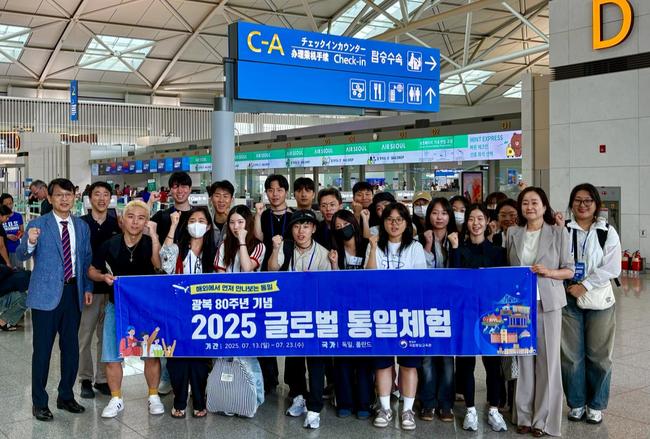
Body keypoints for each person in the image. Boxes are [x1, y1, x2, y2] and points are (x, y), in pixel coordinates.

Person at [16, 178, 93, 422]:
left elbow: (86, 259)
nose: (64, 199)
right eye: (59, 195)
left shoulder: (81, 226)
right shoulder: (38, 224)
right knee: (42, 351)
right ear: (49, 198)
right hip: (45, 297)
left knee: (70, 349)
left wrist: (87, 287)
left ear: (74, 197)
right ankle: (39, 402)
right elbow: (20, 255)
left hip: (73, 294)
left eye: (68, 194)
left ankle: (66, 396)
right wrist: (30, 241)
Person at [506, 187, 574, 437]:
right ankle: (523, 416)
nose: (530, 207)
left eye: (535, 202)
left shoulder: (558, 232)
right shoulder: (512, 233)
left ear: (544, 206)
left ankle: (543, 420)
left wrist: (549, 272)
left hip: (548, 303)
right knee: (523, 360)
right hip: (519, 304)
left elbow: (569, 269)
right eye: (525, 203)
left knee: (547, 362)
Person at [89, 200, 163, 419]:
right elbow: (92, 270)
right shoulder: (110, 244)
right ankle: (116, 398)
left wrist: (155, 237)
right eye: (131, 217)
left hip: (146, 309)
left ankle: (153, 395)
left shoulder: (151, 244)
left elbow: (159, 266)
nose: (135, 222)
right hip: (117, 306)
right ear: (122, 220)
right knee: (112, 355)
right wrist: (103, 277)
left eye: (141, 218)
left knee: (151, 354)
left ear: (146, 221)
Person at [561, 183, 621, 425]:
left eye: (588, 200)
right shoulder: (563, 230)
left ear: (596, 204)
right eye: (577, 200)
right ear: (571, 203)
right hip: (568, 298)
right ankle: (576, 403)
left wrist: (585, 285)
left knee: (599, 356)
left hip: (599, 300)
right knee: (570, 356)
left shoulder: (607, 231)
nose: (582, 204)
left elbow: (612, 267)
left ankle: (596, 405)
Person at [365, 202, 426, 431]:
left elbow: (419, 281)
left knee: (409, 363)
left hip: (408, 312)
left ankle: (407, 410)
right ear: (383, 223)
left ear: (406, 223)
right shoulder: (375, 245)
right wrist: (372, 248)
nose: (394, 224)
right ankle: (384, 407)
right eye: (390, 219)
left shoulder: (415, 247)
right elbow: (370, 277)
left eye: (399, 219)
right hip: (381, 312)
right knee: (383, 362)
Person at [268, 209, 331, 429]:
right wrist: (275, 248)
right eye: (296, 226)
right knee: (293, 357)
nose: (300, 231)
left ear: (313, 229)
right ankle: (298, 396)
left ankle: (314, 408)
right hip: (291, 312)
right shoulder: (286, 248)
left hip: (315, 313)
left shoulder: (323, 253)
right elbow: (272, 269)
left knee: (315, 360)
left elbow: (328, 287)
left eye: (305, 226)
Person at [449, 204, 508, 432]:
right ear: (466, 222)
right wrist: (455, 249)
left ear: (487, 221)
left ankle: (494, 409)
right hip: (465, 313)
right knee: (466, 363)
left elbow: (502, 284)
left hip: (491, 315)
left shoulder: (498, 252)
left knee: (493, 365)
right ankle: (470, 410)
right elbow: (454, 279)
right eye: (471, 218)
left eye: (480, 218)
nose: (476, 223)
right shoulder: (459, 249)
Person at [160, 206, 216, 418]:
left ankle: (199, 400)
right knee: (177, 358)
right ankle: (180, 400)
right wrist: (173, 225)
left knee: (200, 360)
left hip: (204, 313)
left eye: (201, 221)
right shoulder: (178, 249)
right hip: (178, 312)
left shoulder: (213, 252)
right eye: (192, 220)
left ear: (208, 227)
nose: (196, 225)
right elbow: (165, 262)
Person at [77, 182, 121, 399]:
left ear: (110, 199)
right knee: (84, 335)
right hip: (90, 289)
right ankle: (85, 378)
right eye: (97, 194)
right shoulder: (81, 224)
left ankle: (102, 379)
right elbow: (79, 257)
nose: (102, 199)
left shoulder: (117, 224)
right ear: (89, 198)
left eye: (106, 195)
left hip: (111, 289)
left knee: (106, 336)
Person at [328, 209, 373, 420]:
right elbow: (334, 282)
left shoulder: (367, 246)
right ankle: (344, 401)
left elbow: (372, 274)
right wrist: (334, 264)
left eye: (345, 225)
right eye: (337, 227)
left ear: (353, 224)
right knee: (342, 357)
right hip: (342, 309)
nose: (342, 230)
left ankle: (364, 402)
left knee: (363, 357)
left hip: (365, 309)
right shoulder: (335, 251)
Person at [417, 197, 457, 423]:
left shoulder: (456, 239)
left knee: (446, 358)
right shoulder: (419, 239)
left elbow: (458, 271)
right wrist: (427, 245)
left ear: (449, 216)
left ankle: (446, 404)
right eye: (434, 212)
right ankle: (428, 402)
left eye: (443, 213)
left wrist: (454, 246)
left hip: (449, 306)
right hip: (425, 305)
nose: (439, 217)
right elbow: (421, 271)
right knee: (427, 357)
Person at [254, 174, 292, 393]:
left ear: (286, 192)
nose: (275, 194)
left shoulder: (294, 217)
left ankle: (293, 381)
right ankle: (268, 378)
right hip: (265, 278)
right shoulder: (263, 215)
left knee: (290, 327)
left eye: (279, 190)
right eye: (270, 190)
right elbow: (258, 238)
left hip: (290, 277)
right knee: (265, 327)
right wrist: (258, 215)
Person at [215, 205, 265, 273]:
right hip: (228, 280)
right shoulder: (224, 245)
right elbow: (221, 275)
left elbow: (247, 268)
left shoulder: (259, 246)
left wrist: (242, 241)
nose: (235, 227)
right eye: (232, 222)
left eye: (240, 222)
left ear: (248, 223)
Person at [151, 172, 193, 246]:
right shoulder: (161, 216)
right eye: (175, 187)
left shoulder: (198, 215)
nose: (180, 191)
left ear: (190, 189)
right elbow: (140, 228)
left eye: (183, 186)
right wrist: (150, 202)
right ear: (170, 190)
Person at [208, 180, 235, 250]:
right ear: (211, 199)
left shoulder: (236, 224)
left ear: (232, 200)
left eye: (225, 196)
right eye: (217, 196)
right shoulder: (207, 223)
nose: (221, 200)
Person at [1, 193, 25, 268]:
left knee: (18, 270)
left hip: (16, 249)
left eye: (10, 203)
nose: (9, 206)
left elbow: (22, 231)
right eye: (6, 204)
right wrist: (7, 236)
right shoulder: (1, 218)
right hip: (4, 250)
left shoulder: (18, 216)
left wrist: (20, 235)